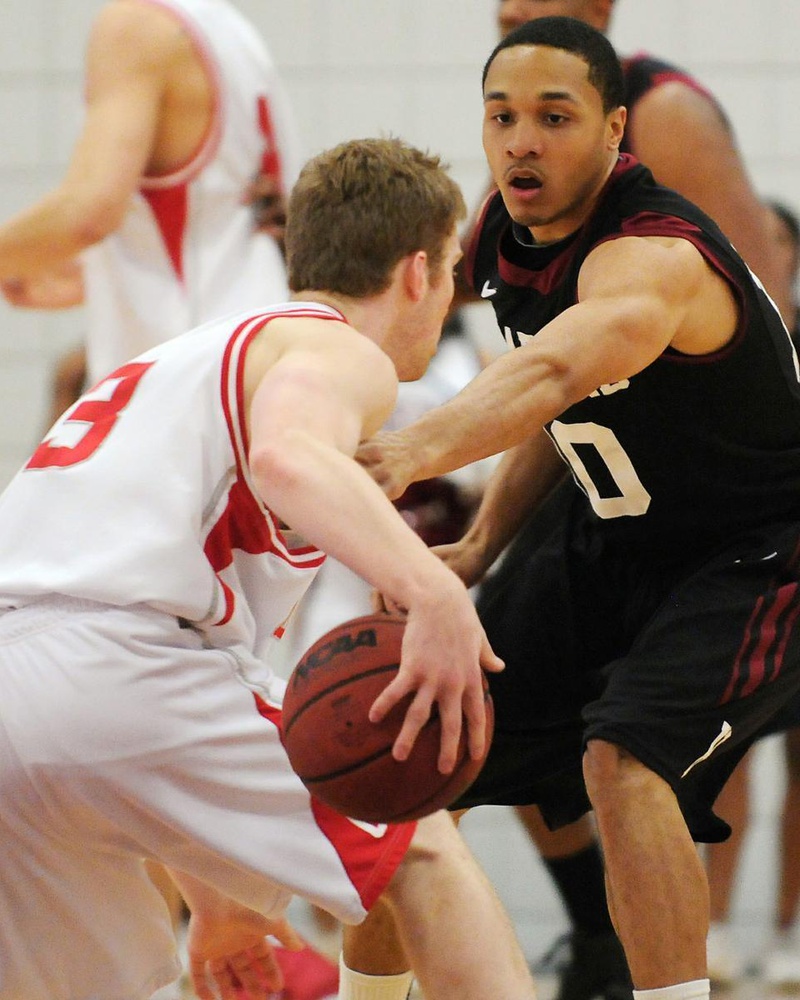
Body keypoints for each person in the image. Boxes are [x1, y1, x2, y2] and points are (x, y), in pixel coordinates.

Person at [0, 136, 538, 1000]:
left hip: (20, 688)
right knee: (422, 847)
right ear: (416, 272)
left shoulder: (184, 358)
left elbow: (143, 720)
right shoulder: (334, 350)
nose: (447, 298)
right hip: (117, 660)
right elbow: (288, 459)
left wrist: (221, 906)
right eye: (449, 274)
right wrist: (435, 588)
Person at [355, 19, 800, 1000]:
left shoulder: (655, 254)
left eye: (553, 118)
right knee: (422, 752)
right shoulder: (504, 238)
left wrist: (406, 451)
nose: (522, 140)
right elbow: (562, 417)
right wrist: (477, 544)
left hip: (752, 551)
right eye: (501, 116)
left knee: (623, 761)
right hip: (604, 536)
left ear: (612, 135)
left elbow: (556, 366)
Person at [0, 0, 300, 389]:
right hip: (253, 352)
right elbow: (222, 218)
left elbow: (88, 214)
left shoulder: (136, 25)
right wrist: (100, 276)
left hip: (190, 380)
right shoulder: (228, 29)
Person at [702, 197, 800, 988]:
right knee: (723, 758)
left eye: (774, 242)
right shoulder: (718, 345)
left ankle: (790, 937)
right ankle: (710, 932)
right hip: (740, 575)